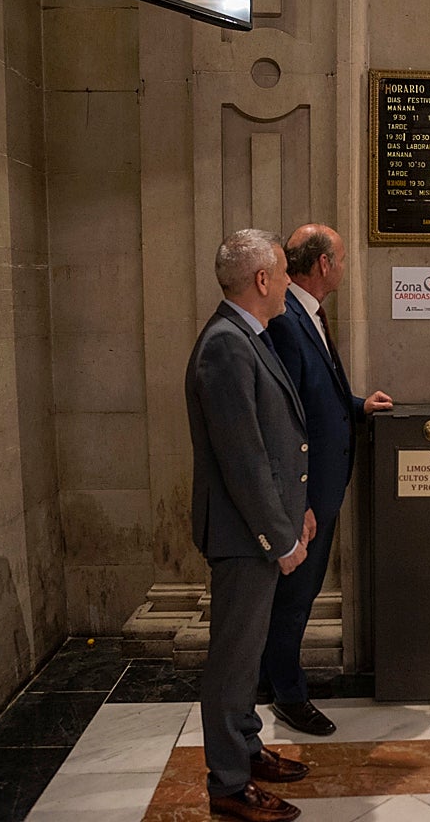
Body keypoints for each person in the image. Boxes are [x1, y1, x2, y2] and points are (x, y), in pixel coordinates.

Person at [185, 228, 313, 822]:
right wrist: (278, 535)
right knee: (234, 660)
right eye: (284, 271)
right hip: (243, 538)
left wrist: (298, 509)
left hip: (259, 529)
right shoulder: (225, 344)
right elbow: (243, 458)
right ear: (261, 280)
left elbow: (277, 442)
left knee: (249, 649)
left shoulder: (248, 335)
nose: (290, 281)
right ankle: (230, 785)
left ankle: (247, 748)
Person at [261, 223, 393, 736]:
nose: (343, 267)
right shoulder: (286, 320)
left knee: (301, 591)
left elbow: (315, 394)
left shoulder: (306, 313)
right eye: (340, 257)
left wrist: (359, 405)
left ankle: (273, 677)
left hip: (320, 483)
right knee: (296, 594)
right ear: (322, 266)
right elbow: (283, 415)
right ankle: (288, 695)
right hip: (307, 490)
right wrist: (298, 502)